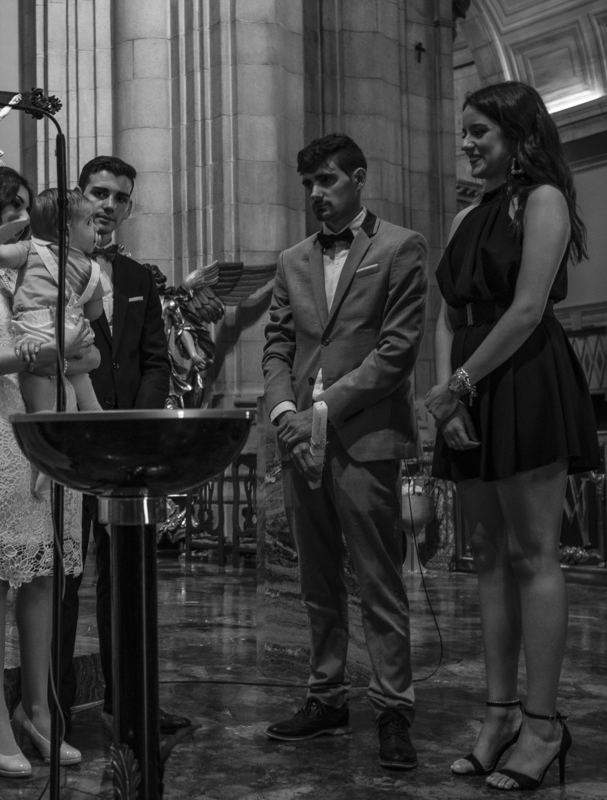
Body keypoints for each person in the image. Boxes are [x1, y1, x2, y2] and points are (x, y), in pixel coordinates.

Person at [424, 80, 596, 792]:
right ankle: (497, 717)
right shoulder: (469, 217)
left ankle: (545, 723)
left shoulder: (543, 201)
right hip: (469, 381)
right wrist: (445, 397)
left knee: (534, 553)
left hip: (521, 375)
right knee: (489, 555)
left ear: (519, 137)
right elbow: (446, 312)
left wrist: (458, 383)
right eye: (464, 131)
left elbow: (526, 310)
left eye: (478, 133)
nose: (466, 143)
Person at [262, 133, 427, 771]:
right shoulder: (292, 260)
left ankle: (393, 709)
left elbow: (396, 352)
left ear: (358, 178)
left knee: (379, 582)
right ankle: (326, 696)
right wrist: (284, 415)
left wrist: (321, 415)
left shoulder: (401, 247)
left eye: (327, 181)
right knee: (316, 580)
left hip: (363, 438)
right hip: (298, 438)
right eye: (308, 184)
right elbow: (277, 346)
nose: (316, 195)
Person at [0, 167, 98, 778]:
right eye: (9, 207)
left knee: (48, 573)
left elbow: (86, 350)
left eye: (26, 208)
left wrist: (70, 347)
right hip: (3, 433)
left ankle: (40, 708)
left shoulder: (43, 270)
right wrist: (35, 351)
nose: (21, 218)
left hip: (54, 435)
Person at [55, 155, 185, 735]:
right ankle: (52, 708)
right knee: (63, 578)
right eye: (99, 193)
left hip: (125, 456)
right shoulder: (49, 269)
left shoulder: (137, 281)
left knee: (125, 582)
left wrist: (138, 425)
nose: (108, 205)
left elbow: (155, 361)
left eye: (120, 198)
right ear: (79, 198)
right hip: (69, 449)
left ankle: (128, 703)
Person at [0, 187, 105, 418]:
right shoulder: (91, 268)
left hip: (37, 333)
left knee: (40, 408)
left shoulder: (30, 250)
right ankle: (94, 412)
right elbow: (95, 312)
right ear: (66, 231)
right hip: (73, 332)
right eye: (89, 222)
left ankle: (41, 422)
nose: (96, 229)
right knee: (86, 394)